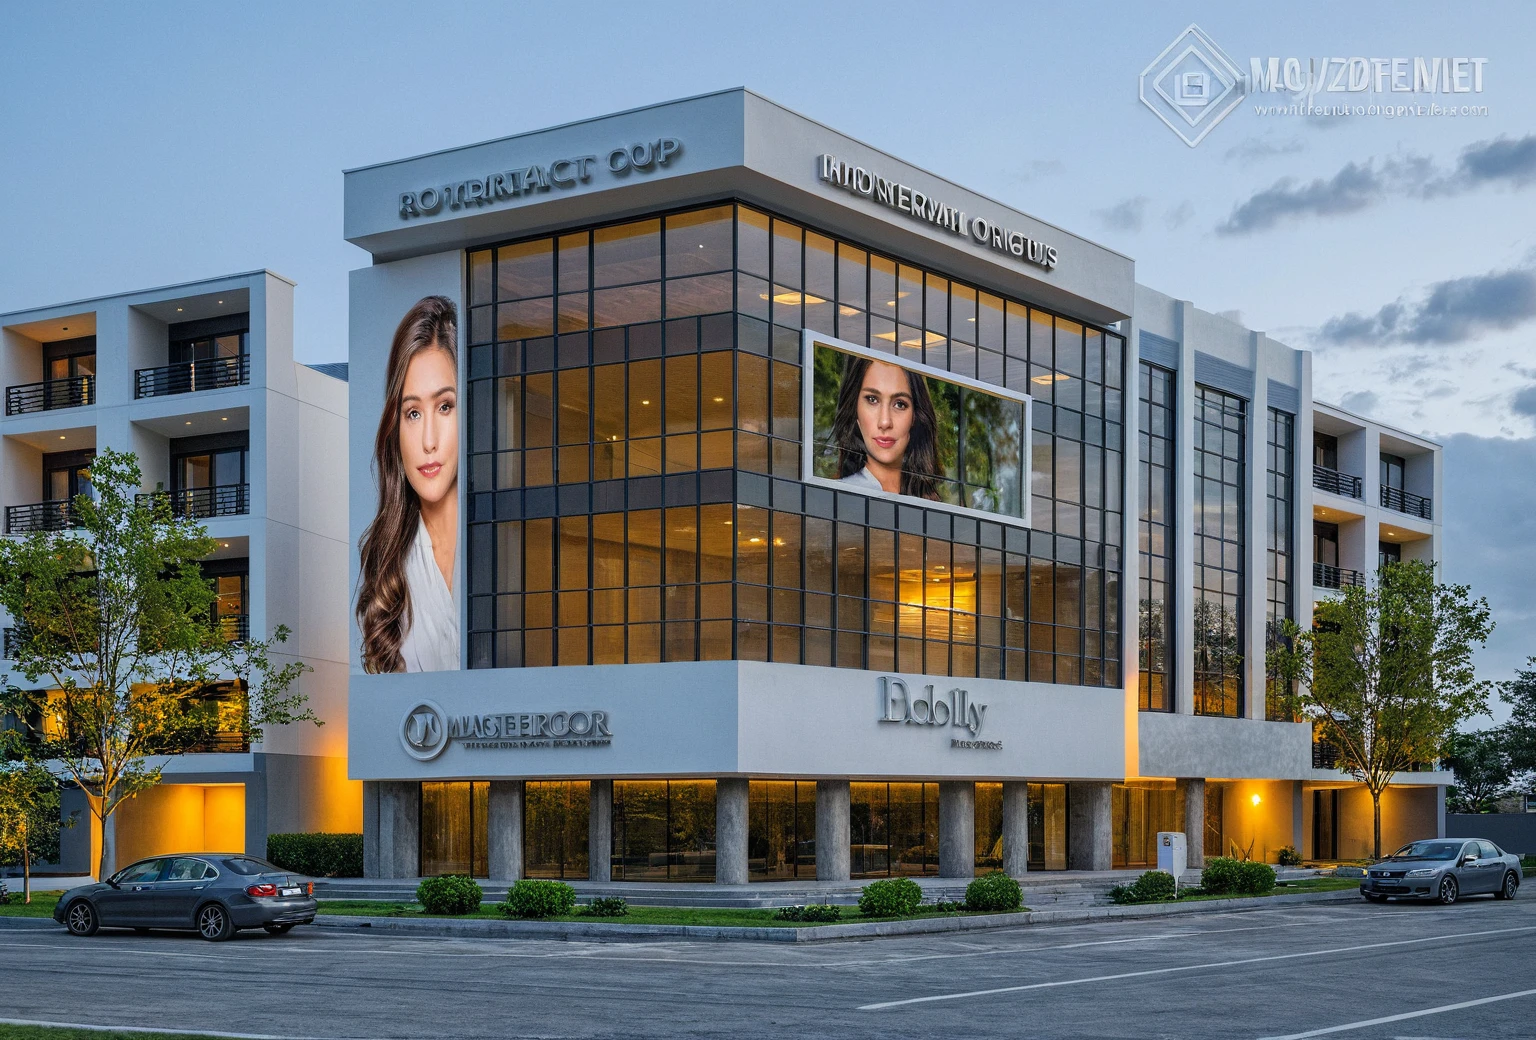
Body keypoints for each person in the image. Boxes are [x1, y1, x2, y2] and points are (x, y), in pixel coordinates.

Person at [357, 296, 461, 673]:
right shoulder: (390, 566)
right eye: (413, 413)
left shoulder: (504, 545)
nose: (428, 440)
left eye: (445, 406)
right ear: (394, 427)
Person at [830, 353, 940, 500]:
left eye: (900, 404)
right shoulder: (837, 497)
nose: (885, 422)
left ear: (915, 416)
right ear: (855, 409)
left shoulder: (932, 505)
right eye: (872, 399)